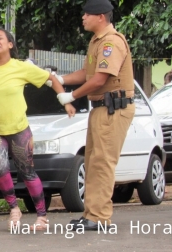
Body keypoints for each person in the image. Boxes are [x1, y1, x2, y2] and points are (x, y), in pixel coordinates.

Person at [0, 28, 76, 230]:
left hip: (18, 128)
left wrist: (65, 100)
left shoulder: (21, 67)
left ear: (10, 44)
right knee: (0, 168)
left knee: (26, 171)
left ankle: (42, 216)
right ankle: (14, 209)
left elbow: (51, 78)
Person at [55, 0, 136, 231]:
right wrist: (61, 80)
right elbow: (87, 73)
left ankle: (99, 217)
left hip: (114, 107)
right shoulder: (97, 41)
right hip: (101, 108)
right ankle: (91, 214)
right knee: (92, 162)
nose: (83, 17)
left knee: (102, 163)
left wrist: (71, 96)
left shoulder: (112, 42)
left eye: (87, 14)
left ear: (100, 16)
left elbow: (100, 79)